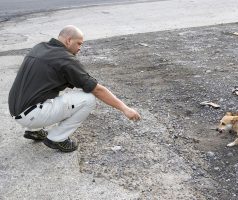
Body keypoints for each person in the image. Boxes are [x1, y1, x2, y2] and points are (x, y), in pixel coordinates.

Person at [8, 25, 141, 152]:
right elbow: (97, 89)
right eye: (79, 43)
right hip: (31, 114)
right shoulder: (65, 59)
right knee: (88, 98)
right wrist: (125, 108)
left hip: (16, 109)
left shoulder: (40, 47)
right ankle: (57, 138)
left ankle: (34, 131)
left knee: (46, 89)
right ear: (69, 40)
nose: (80, 48)